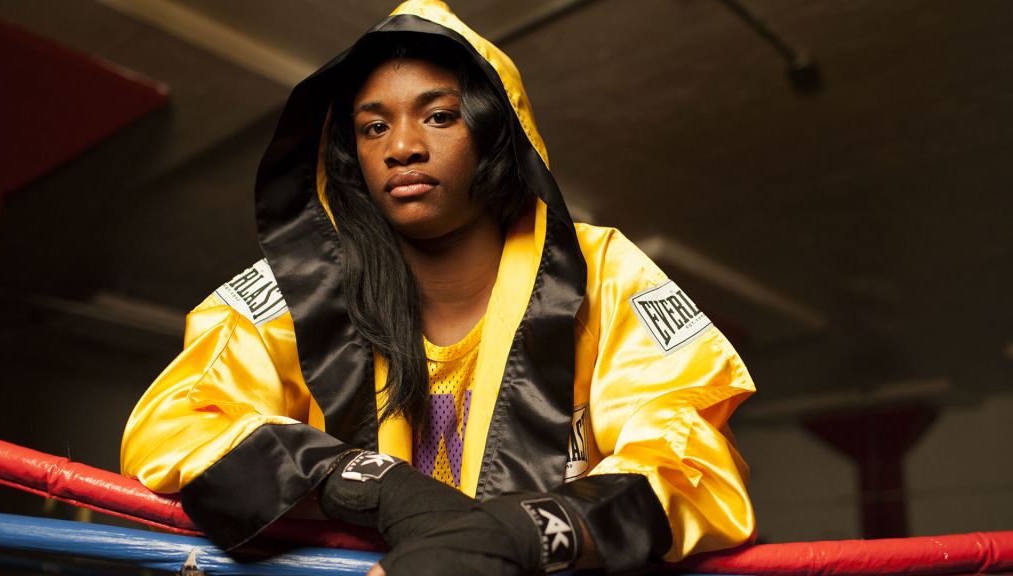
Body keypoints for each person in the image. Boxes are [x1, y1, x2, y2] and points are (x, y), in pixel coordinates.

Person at [121, 1, 757, 574]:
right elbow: (175, 425)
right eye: (374, 127)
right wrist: (378, 487)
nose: (402, 146)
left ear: (493, 132)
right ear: (353, 156)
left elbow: (693, 465)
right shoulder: (299, 286)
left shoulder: (604, 272)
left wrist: (511, 534)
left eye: (440, 116)